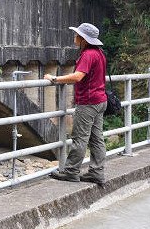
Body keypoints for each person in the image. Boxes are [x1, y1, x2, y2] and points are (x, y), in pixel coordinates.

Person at [43, 23, 107, 185]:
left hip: (88, 102)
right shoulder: (99, 53)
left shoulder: (88, 55)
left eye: (77, 34)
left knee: (80, 138)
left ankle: (71, 171)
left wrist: (55, 79)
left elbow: (78, 77)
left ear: (83, 39)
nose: (75, 36)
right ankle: (96, 173)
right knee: (96, 139)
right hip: (100, 100)